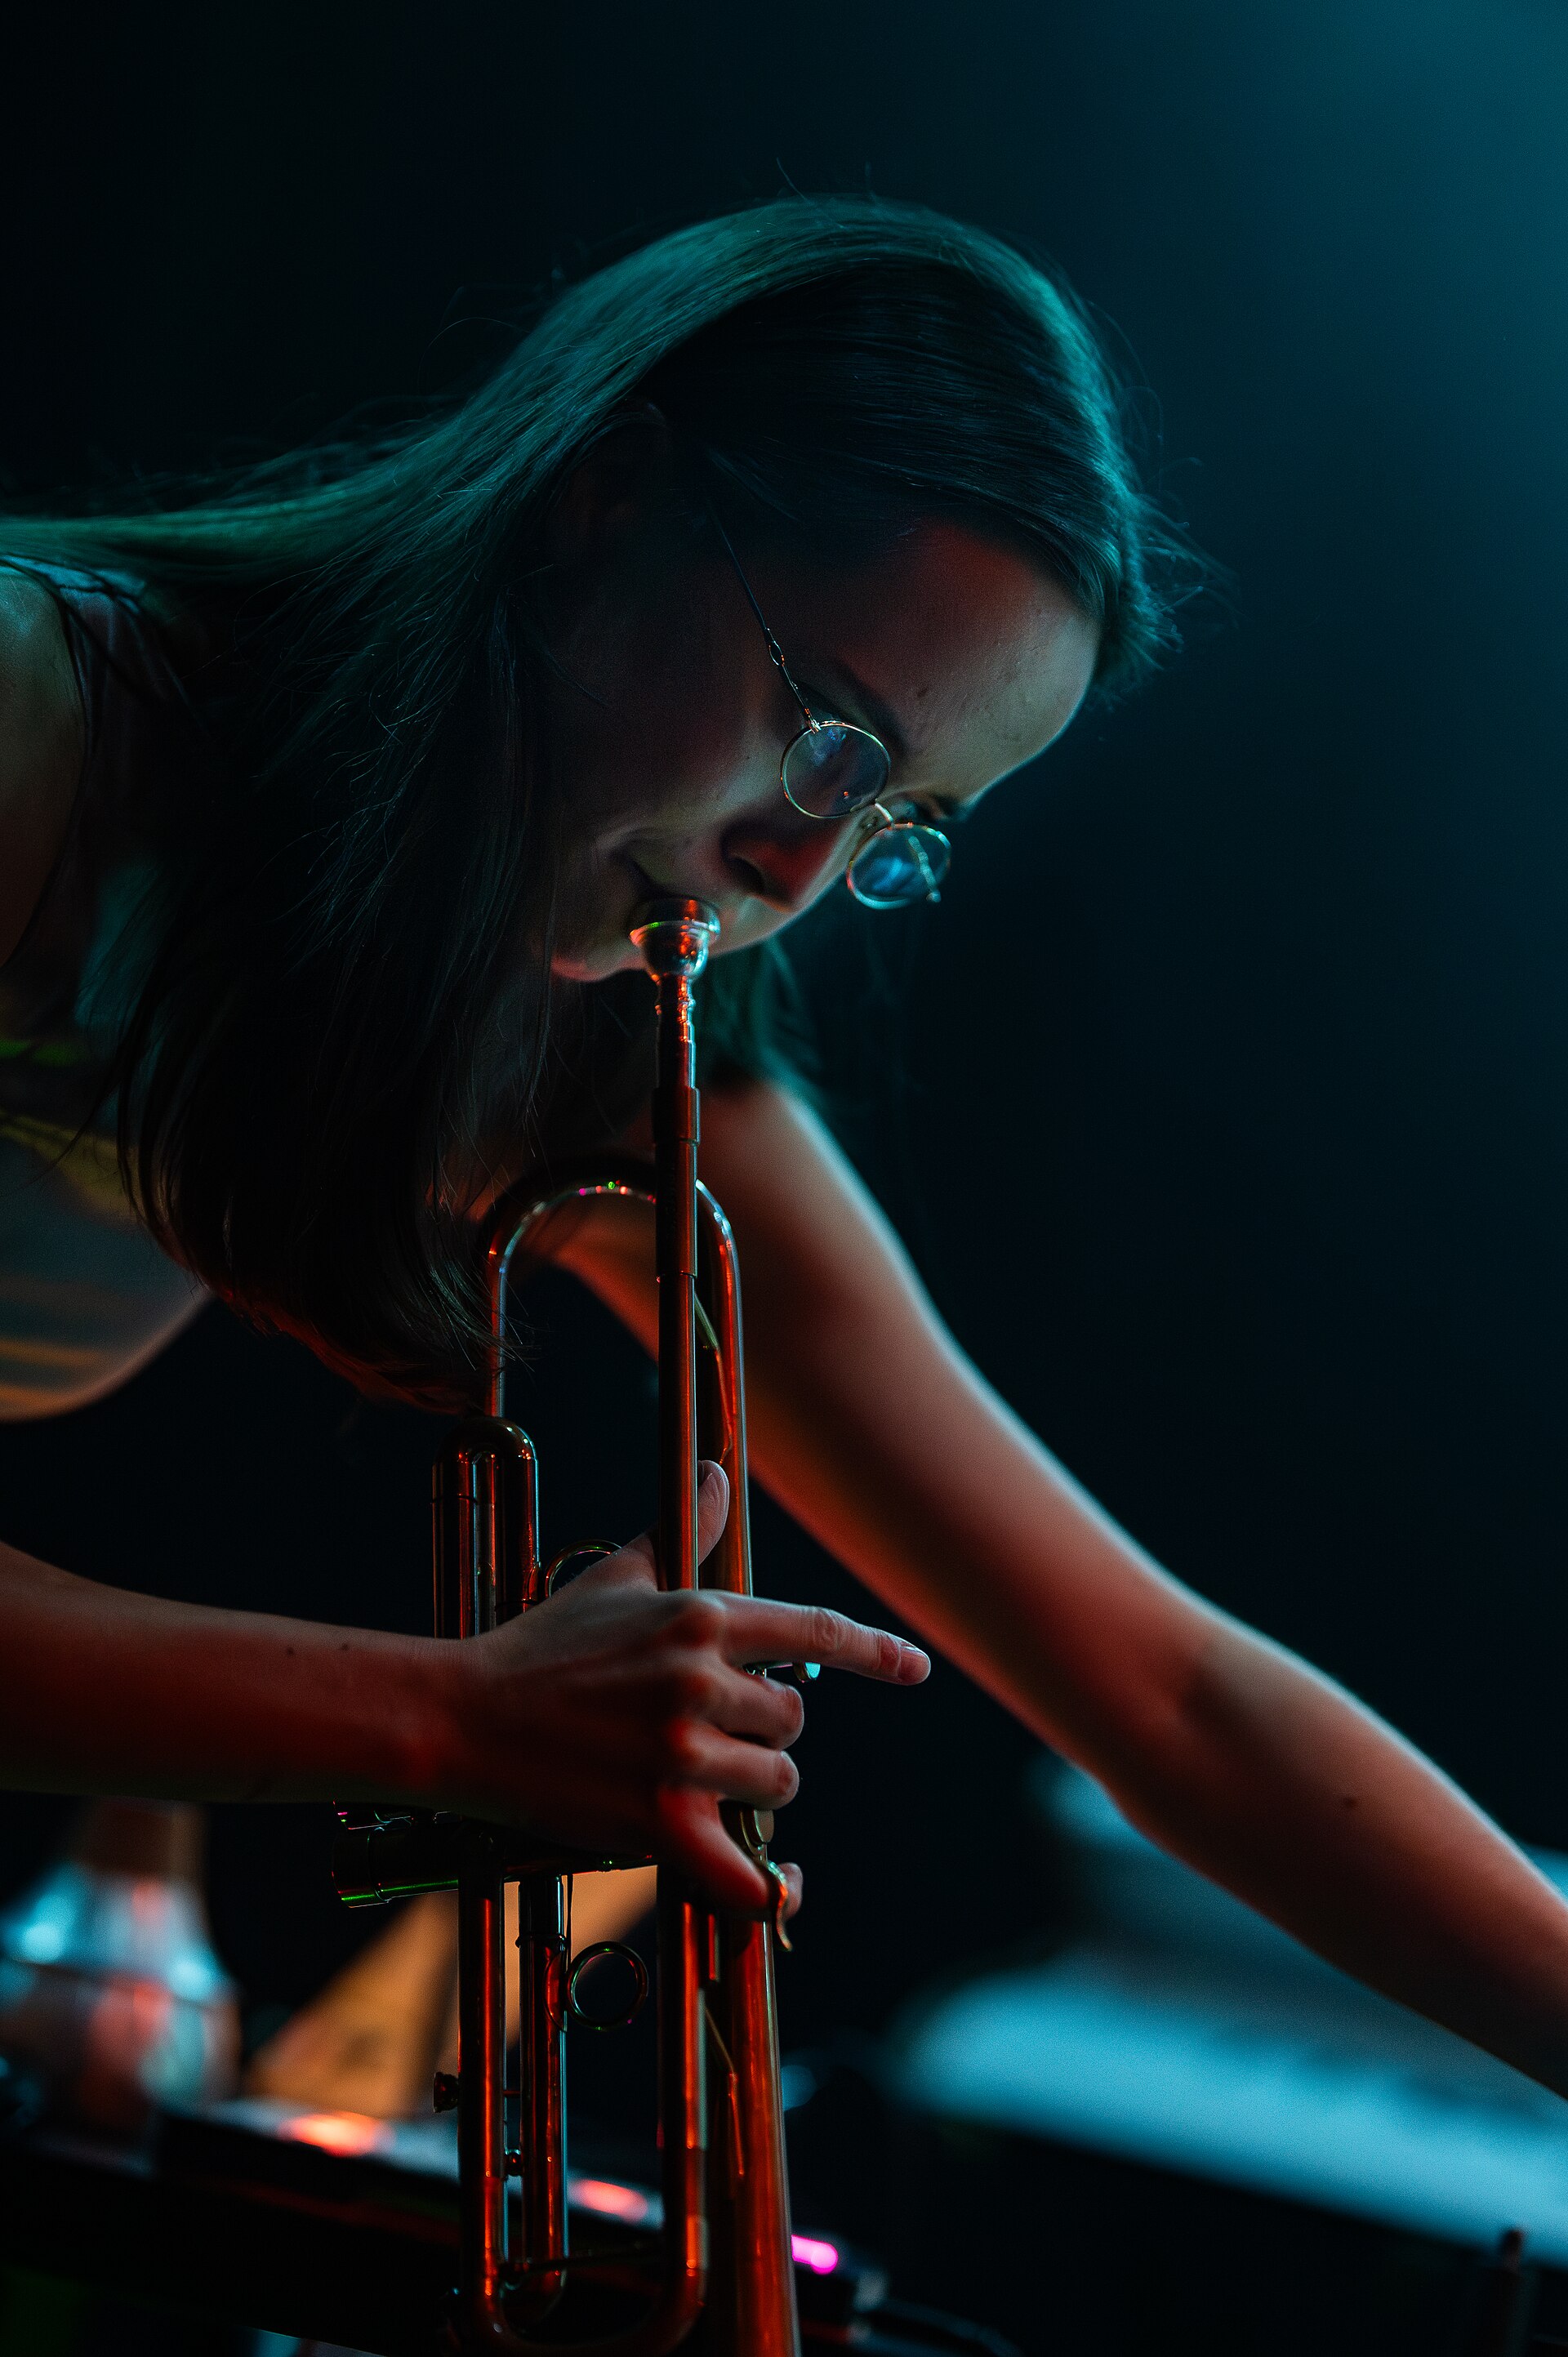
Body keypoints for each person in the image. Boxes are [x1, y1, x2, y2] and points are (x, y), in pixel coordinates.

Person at [2, 195, 1567, 2092]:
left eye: (898, 823)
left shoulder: (581, 1038)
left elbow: (1161, 1692)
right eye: (825, 731)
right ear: (606, 493)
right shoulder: (38, 719)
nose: (797, 874)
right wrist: (445, 1723)